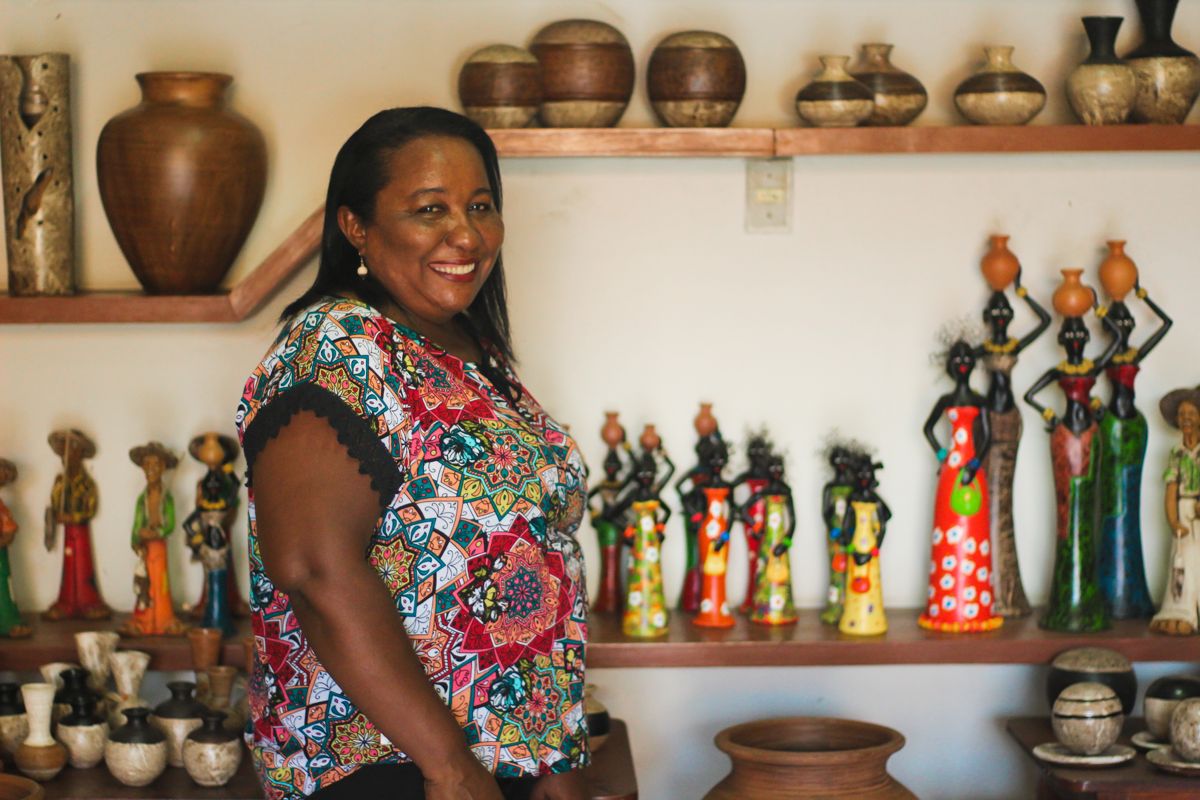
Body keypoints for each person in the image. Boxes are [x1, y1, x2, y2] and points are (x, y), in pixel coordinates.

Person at [235, 107, 588, 800]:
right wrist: (449, 765)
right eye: (430, 209)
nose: (467, 234)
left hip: (497, 757)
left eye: (480, 205)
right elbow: (314, 569)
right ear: (356, 226)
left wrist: (549, 756)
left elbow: (524, 547)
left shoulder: (465, 346)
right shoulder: (334, 348)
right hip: (390, 768)